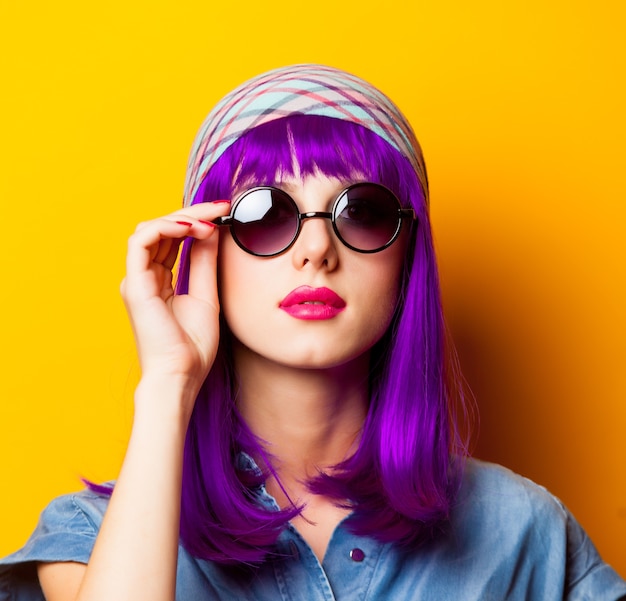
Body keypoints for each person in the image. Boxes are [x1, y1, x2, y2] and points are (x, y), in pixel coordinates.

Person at [1, 64, 624, 601]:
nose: (316, 250)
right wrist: (168, 381)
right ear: (205, 248)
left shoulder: (522, 530)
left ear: (408, 259)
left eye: (364, 212)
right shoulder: (91, 538)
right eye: (266, 214)